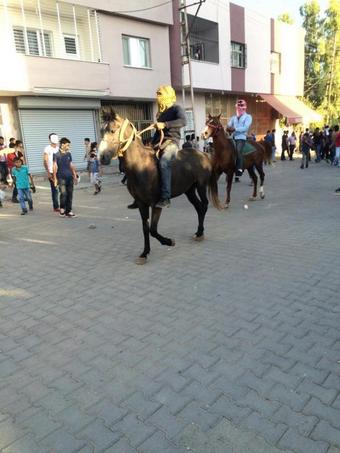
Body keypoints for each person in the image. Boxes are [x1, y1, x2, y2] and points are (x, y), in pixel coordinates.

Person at [151, 85, 186, 208]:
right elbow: (157, 133)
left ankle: (166, 198)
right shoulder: (160, 114)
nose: (158, 97)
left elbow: (183, 121)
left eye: (160, 94)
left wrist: (164, 124)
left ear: (167, 96)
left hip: (171, 142)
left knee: (164, 163)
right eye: (157, 94)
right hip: (158, 143)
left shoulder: (177, 108)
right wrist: (150, 144)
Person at [227, 99, 253, 181]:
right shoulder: (233, 118)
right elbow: (228, 125)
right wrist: (228, 128)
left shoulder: (248, 117)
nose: (239, 108)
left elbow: (245, 128)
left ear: (244, 107)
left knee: (238, 151)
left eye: (241, 106)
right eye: (238, 106)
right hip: (232, 137)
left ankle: (239, 169)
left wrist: (235, 129)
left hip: (241, 137)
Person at [53, 137, 77, 217]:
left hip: (69, 177)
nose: (68, 147)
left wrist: (74, 175)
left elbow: (71, 165)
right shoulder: (56, 155)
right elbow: (54, 167)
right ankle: (62, 209)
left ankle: (69, 211)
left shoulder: (69, 154)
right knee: (63, 194)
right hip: (61, 178)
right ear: (62, 145)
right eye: (67, 145)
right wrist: (55, 179)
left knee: (70, 194)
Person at [43, 133, 60, 212]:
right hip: (52, 172)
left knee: (63, 189)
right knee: (55, 190)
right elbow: (45, 161)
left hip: (60, 171)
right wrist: (48, 173)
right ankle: (56, 206)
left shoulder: (59, 148)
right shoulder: (47, 148)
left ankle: (63, 205)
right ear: (49, 140)